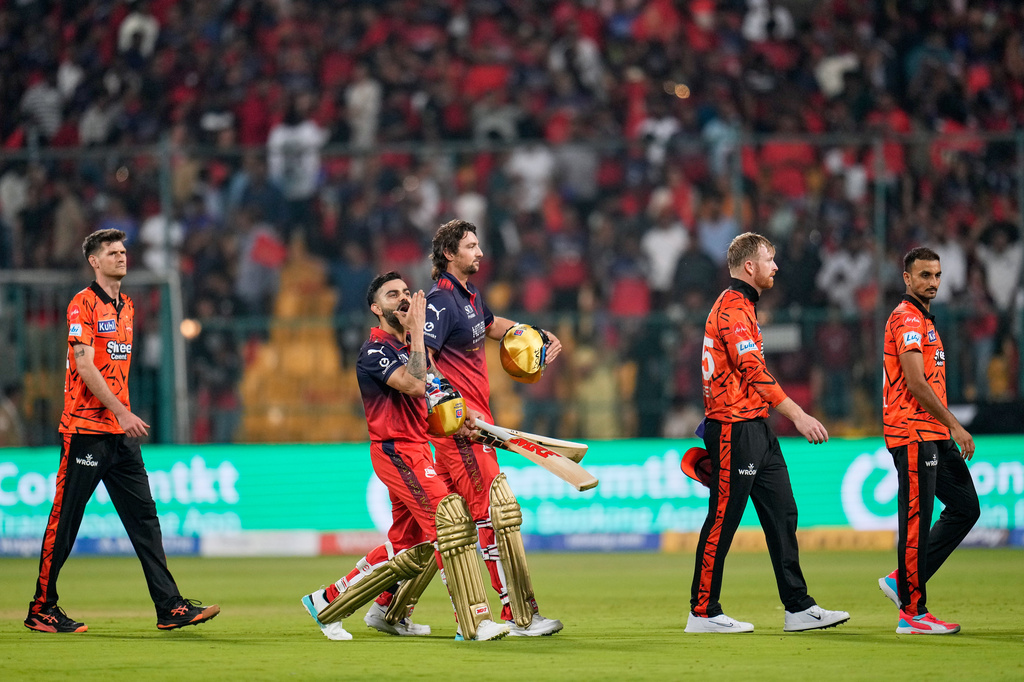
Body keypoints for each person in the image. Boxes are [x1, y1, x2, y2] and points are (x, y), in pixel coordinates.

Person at [25, 228, 220, 634]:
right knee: (66, 520)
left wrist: (122, 417)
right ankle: (42, 607)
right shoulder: (82, 304)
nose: (121, 256)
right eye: (112, 252)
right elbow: (84, 365)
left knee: (144, 519)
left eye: (123, 250)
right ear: (94, 261)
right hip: (85, 430)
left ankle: (169, 607)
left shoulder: (128, 306)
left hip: (120, 434)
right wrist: (122, 412)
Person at [301, 272, 508, 642]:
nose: (401, 299)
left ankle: (338, 602)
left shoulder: (412, 345)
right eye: (391, 295)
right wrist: (417, 338)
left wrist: (464, 417)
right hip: (397, 451)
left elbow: (438, 390)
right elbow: (414, 384)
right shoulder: (375, 351)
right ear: (376, 309)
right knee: (450, 522)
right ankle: (472, 620)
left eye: (403, 292)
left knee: (407, 546)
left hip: (417, 446)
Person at [686, 232, 849, 634]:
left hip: (755, 427)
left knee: (783, 512)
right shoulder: (732, 309)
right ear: (749, 267)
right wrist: (798, 415)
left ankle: (797, 607)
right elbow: (753, 371)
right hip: (733, 429)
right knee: (723, 518)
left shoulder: (743, 307)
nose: (776, 266)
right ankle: (702, 612)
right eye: (769, 259)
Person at [423, 219, 564, 636]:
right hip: (463, 431)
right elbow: (422, 360)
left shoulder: (468, 298)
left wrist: (533, 332)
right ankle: (518, 615)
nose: (480, 252)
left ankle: (397, 608)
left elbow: (492, 327)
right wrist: (457, 412)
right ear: (450, 254)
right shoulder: (439, 302)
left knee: (451, 527)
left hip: (472, 426)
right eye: (470, 246)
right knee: (494, 515)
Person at [877, 247, 980, 635]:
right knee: (915, 520)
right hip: (914, 432)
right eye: (924, 275)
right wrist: (954, 424)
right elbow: (916, 382)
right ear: (907, 278)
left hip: (933, 433)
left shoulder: (924, 319)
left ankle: (900, 581)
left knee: (966, 508)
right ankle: (913, 613)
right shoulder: (906, 318)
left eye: (936, 275)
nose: (933, 282)